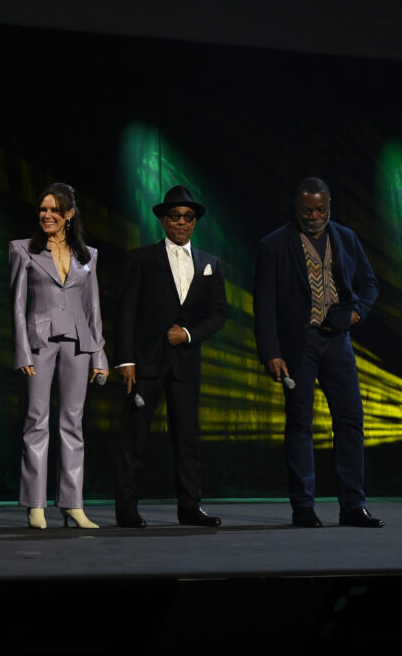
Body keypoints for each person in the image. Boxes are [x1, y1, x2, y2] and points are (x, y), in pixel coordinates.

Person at [254, 177, 382, 528]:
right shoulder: (274, 245)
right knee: (300, 423)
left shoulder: (345, 237)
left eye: (320, 209)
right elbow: (264, 304)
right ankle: (304, 507)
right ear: (296, 208)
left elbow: (369, 283)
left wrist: (357, 312)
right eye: (307, 210)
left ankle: (353, 505)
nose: (314, 216)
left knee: (351, 420)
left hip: (338, 340)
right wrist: (271, 352)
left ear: (330, 205)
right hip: (300, 344)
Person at [114, 185, 228, 528]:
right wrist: (125, 360)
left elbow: (220, 312)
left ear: (195, 222)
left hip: (185, 363)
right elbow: (125, 313)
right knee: (135, 437)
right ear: (164, 221)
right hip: (145, 361)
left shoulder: (210, 263)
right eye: (175, 216)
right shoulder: (141, 258)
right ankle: (127, 506)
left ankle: (190, 505)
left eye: (188, 217)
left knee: (188, 437)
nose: (181, 222)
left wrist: (189, 334)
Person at [9, 183, 107, 530]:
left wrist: (100, 357)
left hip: (79, 342)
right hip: (40, 342)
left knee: (73, 423)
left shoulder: (87, 255)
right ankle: (36, 504)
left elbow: (93, 308)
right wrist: (22, 351)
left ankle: (72, 503)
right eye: (42, 210)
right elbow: (18, 306)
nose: (46, 215)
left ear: (69, 214)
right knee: (36, 420)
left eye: (54, 210)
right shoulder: (23, 250)